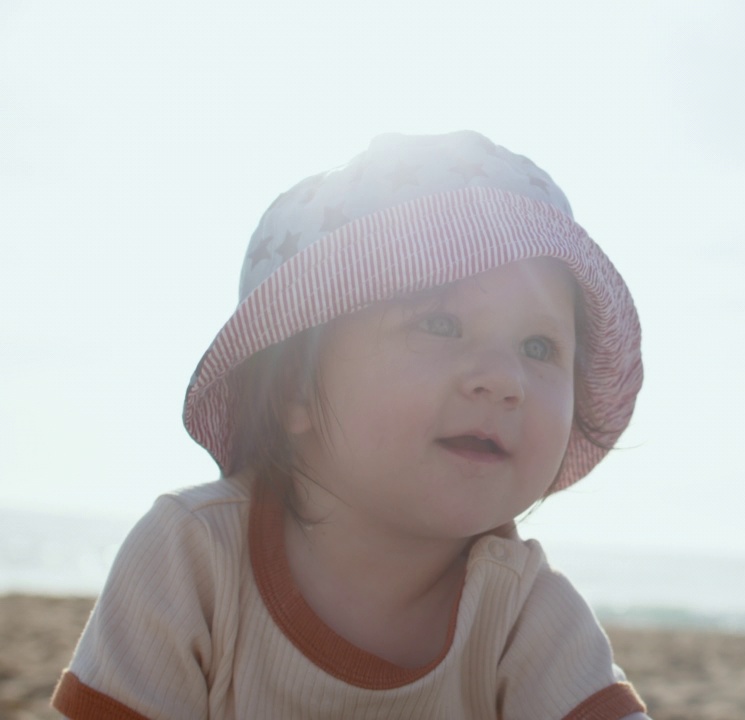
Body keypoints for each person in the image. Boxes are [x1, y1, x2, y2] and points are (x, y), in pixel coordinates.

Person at [51, 132, 649, 719]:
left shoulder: (525, 613)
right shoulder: (194, 557)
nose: (504, 379)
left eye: (540, 347)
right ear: (293, 386)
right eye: (440, 324)